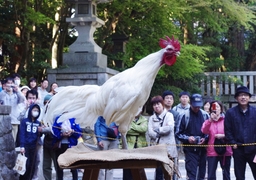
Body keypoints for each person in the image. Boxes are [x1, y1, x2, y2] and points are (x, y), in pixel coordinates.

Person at [224, 86, 256, 179]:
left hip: (253, 149)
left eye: (245, 95)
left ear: (249, 97)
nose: (243, 97)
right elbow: (228, 130)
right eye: (240, 95)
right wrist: (232, 142)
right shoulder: (230, 112)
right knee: (239, 175)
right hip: (238, 149)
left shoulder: (255, 111)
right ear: (236, 98)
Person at [176, 93, 209, 180]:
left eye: (199, 106)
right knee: (191, 175)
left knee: (202, 175)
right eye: (195, 106)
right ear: (191, 104)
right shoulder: (184, 115)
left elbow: (210, 131)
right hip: (190, 149)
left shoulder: (205, 115)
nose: (197, 108)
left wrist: (205, 138)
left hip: (203, 149)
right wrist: (188, 138)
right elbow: (178, 133)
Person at [148, 95, 177, 180]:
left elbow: (169, 128)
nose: (156, 106)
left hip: (169, 149)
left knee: (170, 173)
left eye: (158, 104)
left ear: (162, 104)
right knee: (159, 172)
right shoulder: (151, 118)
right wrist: (161, 130)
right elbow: (150, 133)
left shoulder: (169, 115)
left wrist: (157, 130)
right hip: (157, 150)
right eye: (154, 105)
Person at [201, 100, 232, 180]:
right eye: (213, 107)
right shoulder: (208, 121)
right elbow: (204, 131)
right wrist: (210, 120)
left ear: (221, 109)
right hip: (212, 151)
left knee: (226, 174)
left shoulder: (226, 120)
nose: (215, 109)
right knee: (211, 175)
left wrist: (223, 136)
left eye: (217, 107)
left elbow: (232, 133)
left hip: (226, 150)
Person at [52, 113, 82, 180]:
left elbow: (79, 133)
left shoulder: (73, 119)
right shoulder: (58, 119)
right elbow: (54, 132)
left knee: (73, 166)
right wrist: (61, 134)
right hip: (60, 146)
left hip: (71, 146)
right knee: (60, 166)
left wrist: (72, 131)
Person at [123, 107, 148, 180]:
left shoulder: (144, 119)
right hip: (128, 147)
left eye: (140, 108)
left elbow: (143, 129)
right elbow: (125, 130)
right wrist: (138, 129)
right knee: (127, 170)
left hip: (140, 147)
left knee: (139, 170)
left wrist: (131, 126)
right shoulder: (126, 118)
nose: (138, 110)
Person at [19, 104, 42, 180]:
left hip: (34, 147)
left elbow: (40, 135)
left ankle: (30, 178)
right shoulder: (24, 121)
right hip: (26, 146)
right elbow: (22, 134)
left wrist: (41, 131)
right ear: (30, 110)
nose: (36, 112)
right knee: (26, 164)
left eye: (37, 111)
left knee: (33, 165)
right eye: (34, 110)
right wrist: (22, 146)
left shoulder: (38, 123)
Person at [0, 77, 25, 142]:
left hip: (14, 120)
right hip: (3, 121)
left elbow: (22, 100)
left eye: (11, 83)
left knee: (13, 140)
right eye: (8, 83)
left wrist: (18, 90)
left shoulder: (17, 94)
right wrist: (5, 90)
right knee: (3, 140)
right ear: (5, 84)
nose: (10, 85)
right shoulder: (2, 93)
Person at [94, 116, 119, 180]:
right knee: (102, 163)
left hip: (114, 139)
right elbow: (97, 125)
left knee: (111, 163)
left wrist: (118, 136)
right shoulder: (101, 111)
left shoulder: (118, 110)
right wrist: (99, 139)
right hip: (103, 139)